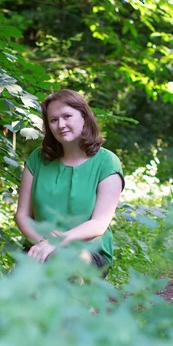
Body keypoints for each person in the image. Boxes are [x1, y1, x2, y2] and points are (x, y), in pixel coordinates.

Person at [15, 89, 124, 276]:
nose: (61, 125)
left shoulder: (107, 162)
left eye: (67, 116)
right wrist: (42, 242)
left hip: (87, 252)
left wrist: (57, 242)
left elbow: (98, 223)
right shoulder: (37, 160)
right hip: (39, 246)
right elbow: (22, 216)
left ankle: (82, 300)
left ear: (84, 117)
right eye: (53, 120)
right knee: (7, 300)